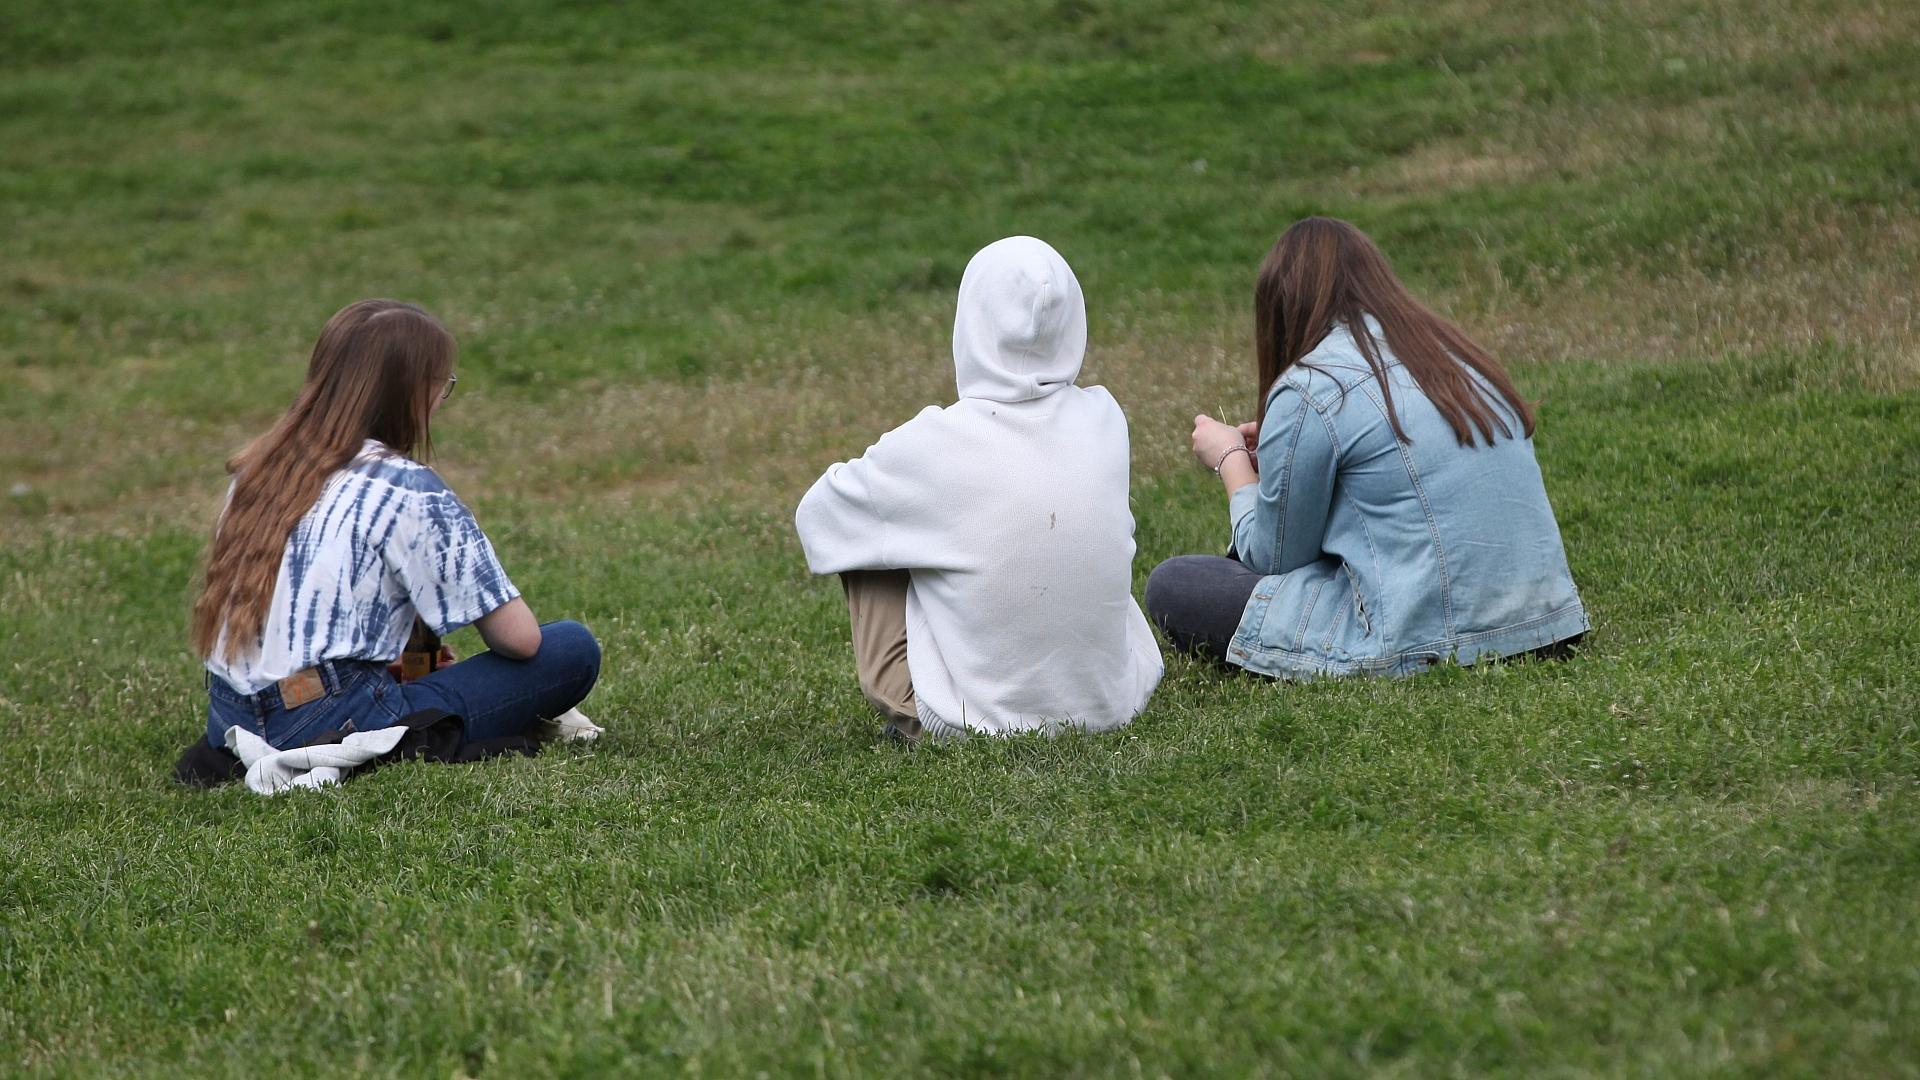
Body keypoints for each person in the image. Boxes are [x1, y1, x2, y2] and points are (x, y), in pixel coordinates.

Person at [1146, 217, 1588, 678]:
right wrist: (1285, 450)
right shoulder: (1453, 353)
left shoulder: (1313, 384)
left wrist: (1230, 459)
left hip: (1431, 637)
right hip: (1547, 627)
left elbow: (1272, 559)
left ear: (1282, 308)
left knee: (1176, 583)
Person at [795, 236, 1164, 739]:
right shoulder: (1104, 416)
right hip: (1112, 701)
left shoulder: (934, 443)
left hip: (976, 722)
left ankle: (913, 713)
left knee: (871, 527)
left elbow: (819, 515)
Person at [191, 299, 600, 752]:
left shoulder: (258, 468)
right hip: (332, 718)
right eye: (443, 385)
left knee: (404, 637)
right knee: (570, 649)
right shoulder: (408, 488)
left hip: (230, 720)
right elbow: (520, 640)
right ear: (411, 392)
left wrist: (412, 659)